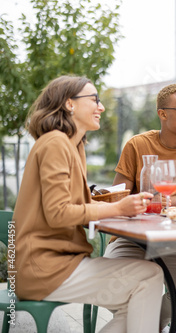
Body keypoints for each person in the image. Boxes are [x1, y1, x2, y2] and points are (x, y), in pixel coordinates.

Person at [13, 75, 164, 332]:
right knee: (149, 276)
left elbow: (74, 205)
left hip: (55, 262)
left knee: (137, 295)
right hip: (44, 267)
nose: (101, 107)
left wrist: (119, 205)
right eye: (94, 99)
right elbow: (57, 213)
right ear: (69, 104)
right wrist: (117, 208)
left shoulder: (72, 145)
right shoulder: (55, 143)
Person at [104, 83, 176, 331]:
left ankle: (151, 322)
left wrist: (162, 204)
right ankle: (143, 321)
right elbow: (117, 197)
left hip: (173, 239)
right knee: (114, 285)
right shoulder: (136, 145)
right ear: (163, 114)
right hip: (132, 238)